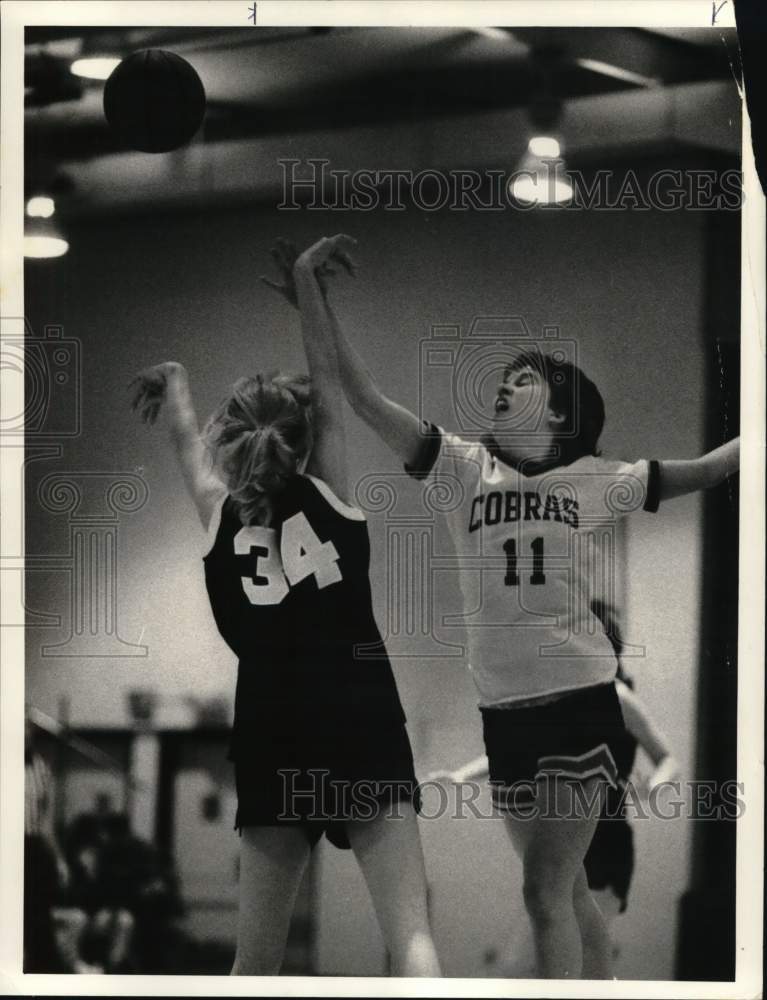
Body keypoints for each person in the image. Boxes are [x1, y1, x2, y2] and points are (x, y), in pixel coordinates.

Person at [264, 234, 739, 980]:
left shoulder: (593, 477)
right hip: (503, 714)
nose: (503, 386)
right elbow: (357, 396)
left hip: (580, 704)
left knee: (541, 891)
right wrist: (310, 293)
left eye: (522, 380)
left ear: (558, 407)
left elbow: (711, 467)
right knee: (568, 895)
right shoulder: (461, 470)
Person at [129, 235, 440, 977]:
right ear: (302, 441)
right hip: (360, 712)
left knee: (255, 961)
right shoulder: (327, 487)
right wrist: (307, 282)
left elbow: (184, 442)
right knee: (412, 938)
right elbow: (327, 380)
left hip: (272, 728)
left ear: (231, 443)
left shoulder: (217, 510)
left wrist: (174, 382)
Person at [428, 664, 680, 977]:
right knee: (529, 958)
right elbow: (514, 754)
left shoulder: (615, 695)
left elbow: (667, 758)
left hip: (604, 842)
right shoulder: (558, 691)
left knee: (575, 949)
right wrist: (461, 775)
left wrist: (654, 787)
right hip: (562, 830)